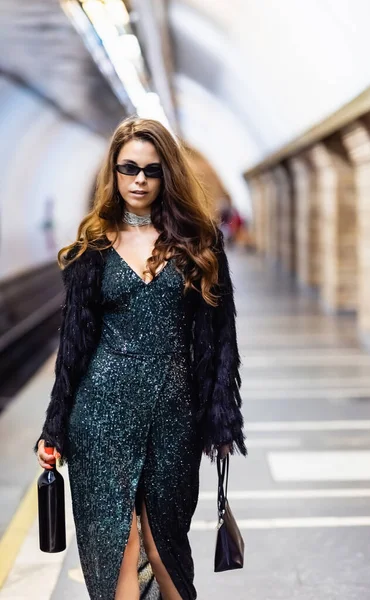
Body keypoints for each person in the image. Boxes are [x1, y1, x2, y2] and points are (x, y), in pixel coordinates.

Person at [34, 117, 246, 600]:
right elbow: (72, 347)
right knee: (116, 550)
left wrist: (222, 420)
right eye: (128, 168)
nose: (139, 180)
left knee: (166, 547)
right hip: (99, 416)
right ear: (114, 171)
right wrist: (54, 427)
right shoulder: (92, 246)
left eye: (151, 170)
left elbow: (221, 341)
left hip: (175, 416)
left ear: (166, 174)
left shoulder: (200, 242)